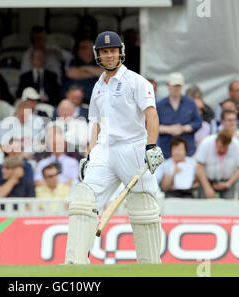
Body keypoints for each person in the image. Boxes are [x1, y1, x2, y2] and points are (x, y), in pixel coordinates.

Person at [65, 31, 164, 265]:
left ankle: (150, 267)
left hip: (133, 149)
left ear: (120, 52)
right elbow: (95, 124)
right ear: (97, 55)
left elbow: (152, 114)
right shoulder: (98, 86)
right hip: (104, 150)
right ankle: (74, 264)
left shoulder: (137, 82)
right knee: (83, 200)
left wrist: (151, 146)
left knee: (143, 209)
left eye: (113, 51)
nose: (109, 55)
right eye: (104, 51)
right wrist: (89, 155)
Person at [156, 72, 202, 158]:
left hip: (187, 151)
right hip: (166, 152)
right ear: (168, 85)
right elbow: (152, 125)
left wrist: (184, 128)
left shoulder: (190, 103)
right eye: (174, 85)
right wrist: (168, 129)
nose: (177, 88)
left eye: (179, 86)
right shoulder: (160, 105)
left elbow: (198, 122)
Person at [195, 129, 239, 199]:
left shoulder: (237, 146)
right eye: (220, 146)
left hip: (227, 180)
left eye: (225, 148)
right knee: (204, 204)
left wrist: (228, 184)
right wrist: (207, 187)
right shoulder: (206, 143)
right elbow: (199, 167)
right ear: (216, 141)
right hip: (207, 180)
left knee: (227, 205)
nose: (221, 150)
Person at [64, 38, 103, 103]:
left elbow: (107, 73)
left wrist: (85, 68)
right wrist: (96, 72)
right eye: (79, 48)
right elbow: (71, 73)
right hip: (74, 102)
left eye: (83, 48)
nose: (80, 50)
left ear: (92, 50)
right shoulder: (73, 61)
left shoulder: (100, 62)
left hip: (97, 101)